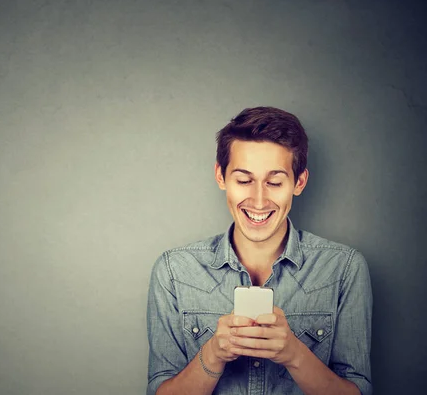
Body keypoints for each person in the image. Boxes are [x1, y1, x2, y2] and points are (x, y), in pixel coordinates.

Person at [146, 107, 372, 395]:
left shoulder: (344, 268)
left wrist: (294, 354)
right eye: (243, 180)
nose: (259, 200)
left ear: (298, 182)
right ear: (221, 176)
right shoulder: (173, 271)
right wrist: (213, 354)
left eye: (275, 182)